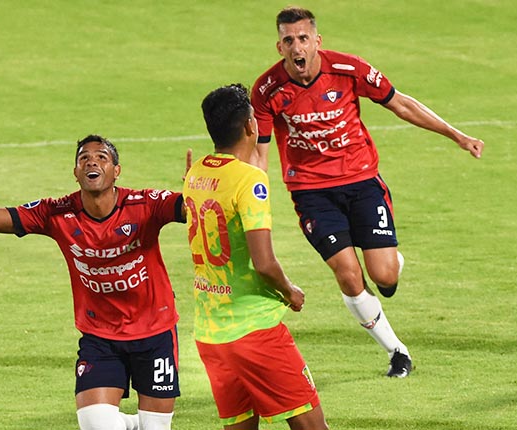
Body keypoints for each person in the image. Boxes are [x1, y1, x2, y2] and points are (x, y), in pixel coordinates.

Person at [250, 6, 485, 378]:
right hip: (311, 192)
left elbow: (401, 104)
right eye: (289, 40)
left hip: (361, 182)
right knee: (348, 274)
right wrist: (247, 196)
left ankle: (389, 263)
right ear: (280, 47)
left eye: (303, 38)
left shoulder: (348, 69)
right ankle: (397, 352)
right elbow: (259, 155)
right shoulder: (267, 90)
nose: (297, 47)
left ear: (317, 41)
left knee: (385, 278)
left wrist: (456, 135)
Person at [0, 135, 183, 430]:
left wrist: (195, 192)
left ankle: (140, 425)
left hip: (154, 332)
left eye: (102, 157)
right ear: (76, 173)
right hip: (100, 337)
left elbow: (187, 209)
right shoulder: (57, 212)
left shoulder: (144, 204)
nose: (92, 162)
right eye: (84, 158)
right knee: (97, 425)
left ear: (116, 171)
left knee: (155, 427)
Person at [184, 83, 329, 430]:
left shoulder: (196, 171)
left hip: (211, 333)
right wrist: (289, 291)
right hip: (254, 331)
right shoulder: (250, 180)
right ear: (251, 125)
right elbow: (264, 263)